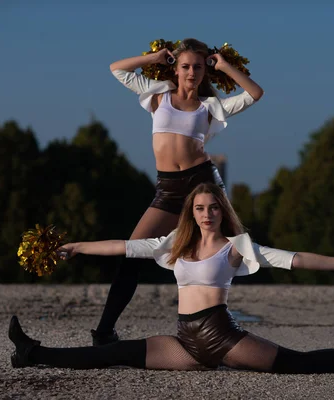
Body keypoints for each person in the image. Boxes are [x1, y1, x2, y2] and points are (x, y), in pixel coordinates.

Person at [8, 183, 334, 374]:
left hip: (222, 335)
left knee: (300, 363)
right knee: (114, 354)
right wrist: (76, 247)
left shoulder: (236, 246)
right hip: (184, 341)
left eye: (213, 207)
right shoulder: (174, 244)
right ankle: (32, 352)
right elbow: (123, 246)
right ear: (191, 211)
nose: (207, 213)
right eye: (200, 207)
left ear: (222, 212)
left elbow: (292, 260)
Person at [93, 38, 264, 345]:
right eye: (185, 66)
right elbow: (116, 69)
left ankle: (223, 326)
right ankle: (104, 332)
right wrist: (156, 57)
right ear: (175, 69)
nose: (191, 72)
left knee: (229, 252)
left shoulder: (210, 108)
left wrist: (224, 65)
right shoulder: (158, 96)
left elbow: (255, 94)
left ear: (204, 72)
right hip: (168, 190)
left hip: (202, 184)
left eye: (198, 67)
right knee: (132, 254)